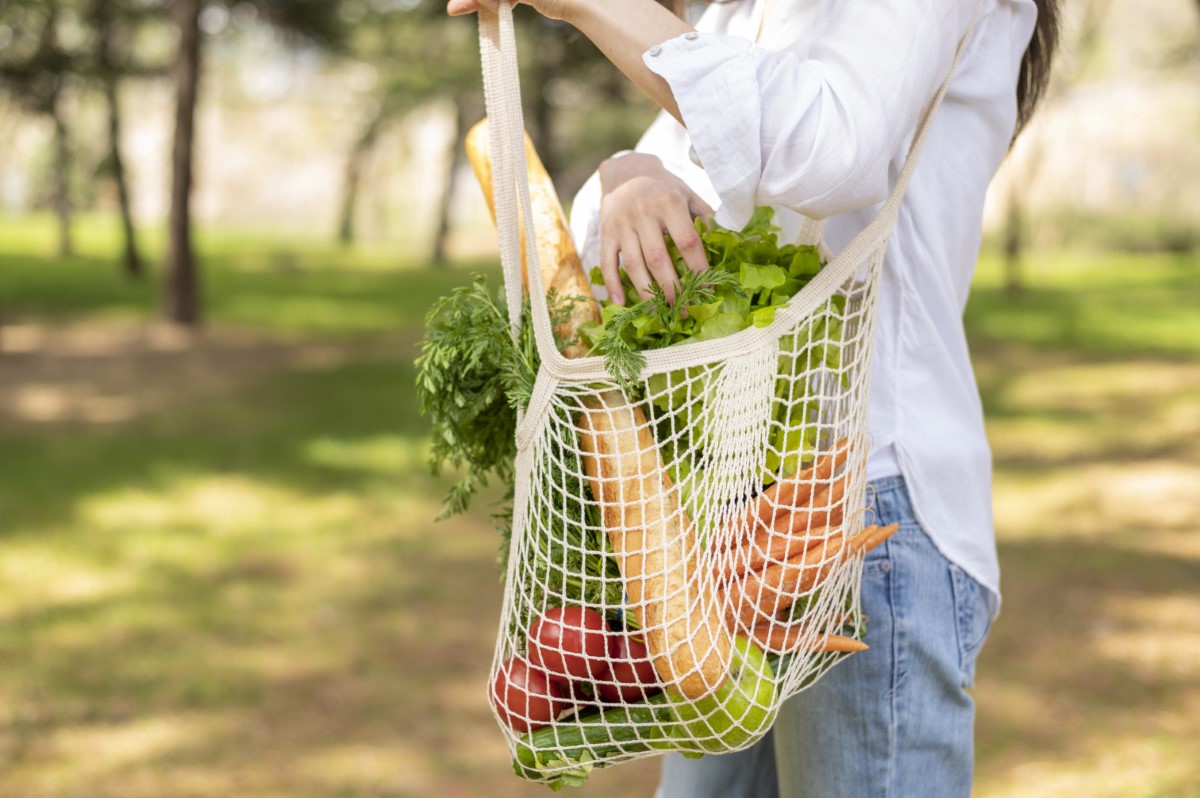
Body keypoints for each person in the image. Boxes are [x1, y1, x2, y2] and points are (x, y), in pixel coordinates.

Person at [448, 0, 1059, 795]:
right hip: (735, 530)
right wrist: (630, 174)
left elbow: (829, 150)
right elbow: (672, 177)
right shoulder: (753, 11)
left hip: (867, 517)